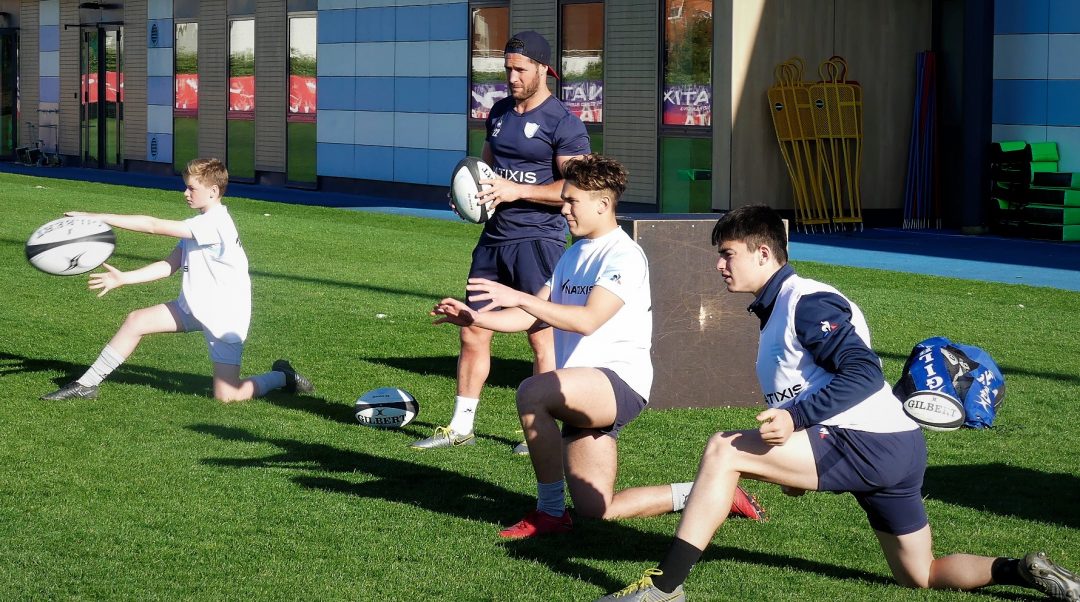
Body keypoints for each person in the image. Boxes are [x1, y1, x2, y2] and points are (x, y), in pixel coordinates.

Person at [598, 205, 1080, 601]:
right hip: (894, 447)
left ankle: (663, 588)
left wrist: (793, 417)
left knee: (723, 449)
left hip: (867, 442)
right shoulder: (776, 309)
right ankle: (1022, 570)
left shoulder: (805, 301)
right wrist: (792, 440)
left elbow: (865, 372)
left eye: (727, 254)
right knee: (920, 574)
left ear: (763, 252)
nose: (719, 266)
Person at [430, 155, 765, 540]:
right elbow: (532, 317)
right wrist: (475, 318)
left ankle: (549, 512)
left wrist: (518, 296)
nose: (565, 208)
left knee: (532, 391)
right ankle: (715, 493)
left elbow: (587, 320)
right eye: (565, 200)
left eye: (572, 202)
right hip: (581, 389)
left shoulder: (623, 255)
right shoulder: (572, 254)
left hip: (618, 383)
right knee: (599, 509)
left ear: (603, 205)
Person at [413, 31, 589, 453]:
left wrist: (515, 190)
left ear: (544, 70)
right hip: (494, 239)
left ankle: (542, 431)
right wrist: (467, 192)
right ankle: (460, 426)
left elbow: (575, 186)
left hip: (539, 240)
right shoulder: (499, 112)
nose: (510, 77)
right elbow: (485, 167)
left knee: (541, 336)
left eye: (519, 69)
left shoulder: (563, 123)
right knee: (473, 330)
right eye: (507, 68)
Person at [40, 158, 313, 403]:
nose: (185, 193)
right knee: (136, 321)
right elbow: (169, 265)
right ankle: (86, 385)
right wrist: (124, 278)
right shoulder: (198, 223)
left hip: (225, 316)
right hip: (194, 306)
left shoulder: (214, 223)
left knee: (228, 396)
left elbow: (153, 226)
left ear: (213, 191)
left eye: (192, 188)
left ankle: (282, 376)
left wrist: (96, 218)